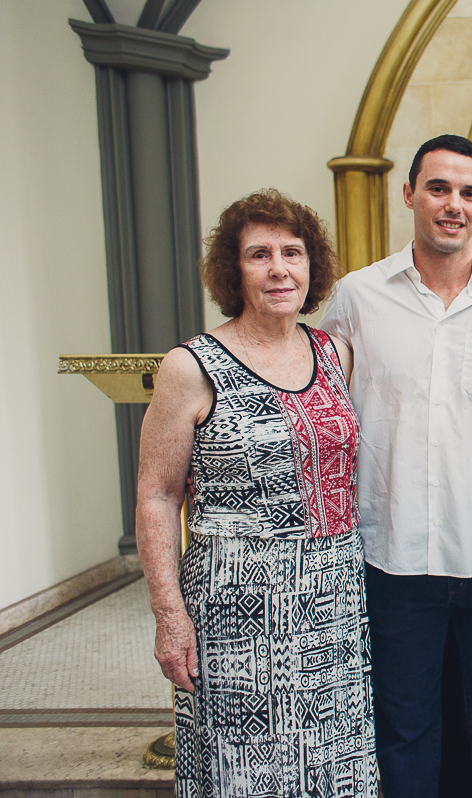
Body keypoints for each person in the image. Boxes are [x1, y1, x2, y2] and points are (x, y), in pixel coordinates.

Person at [318, 134, 472, 798]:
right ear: (409, 193)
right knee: (405, 732)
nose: (453, 204)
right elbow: (321, 407)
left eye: (469, 193)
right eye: (438, 188)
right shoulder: (358, 298)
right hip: (393, 555)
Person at [136, 189, 375, 797]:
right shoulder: (191, 366)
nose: (278, 268)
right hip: (236, 608)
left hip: (332, 602)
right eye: (259, 254)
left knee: (333, 765)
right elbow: (157, 495)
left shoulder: (334, 353)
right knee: (246, 769)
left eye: (292, 253)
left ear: (311, 266)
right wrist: (169, 617)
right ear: (232, 271)